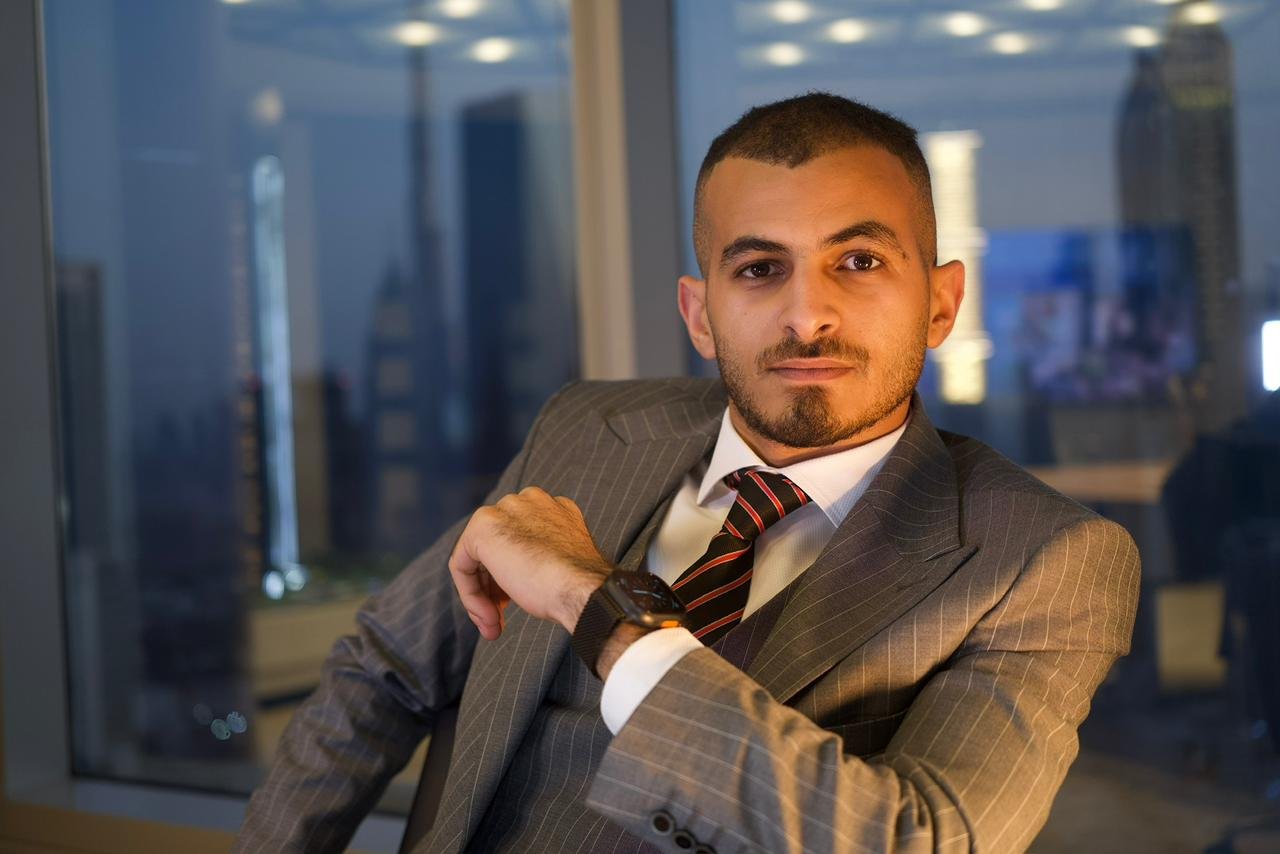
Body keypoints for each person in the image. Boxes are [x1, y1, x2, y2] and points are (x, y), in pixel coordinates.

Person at [235, 93, 1140, 854]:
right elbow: (383, 668)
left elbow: (921, 841)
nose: (808, 316)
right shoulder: (586, 430)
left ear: (941, 303)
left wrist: (602, 610)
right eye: (760, 268)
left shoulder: (1045, 558)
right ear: (700, 315)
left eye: (859, 262)